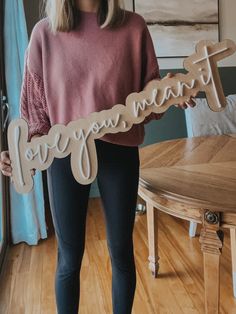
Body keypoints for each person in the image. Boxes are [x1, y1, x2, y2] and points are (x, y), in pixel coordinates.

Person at [0, 0, 196, 313]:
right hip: (64, 157)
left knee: (121, 253)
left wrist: (170, 92)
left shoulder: (133, 28)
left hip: (119, 153)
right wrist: (23, 157)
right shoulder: (43, 34)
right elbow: (36, 116)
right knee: (69, 258)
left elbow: (148, 97)